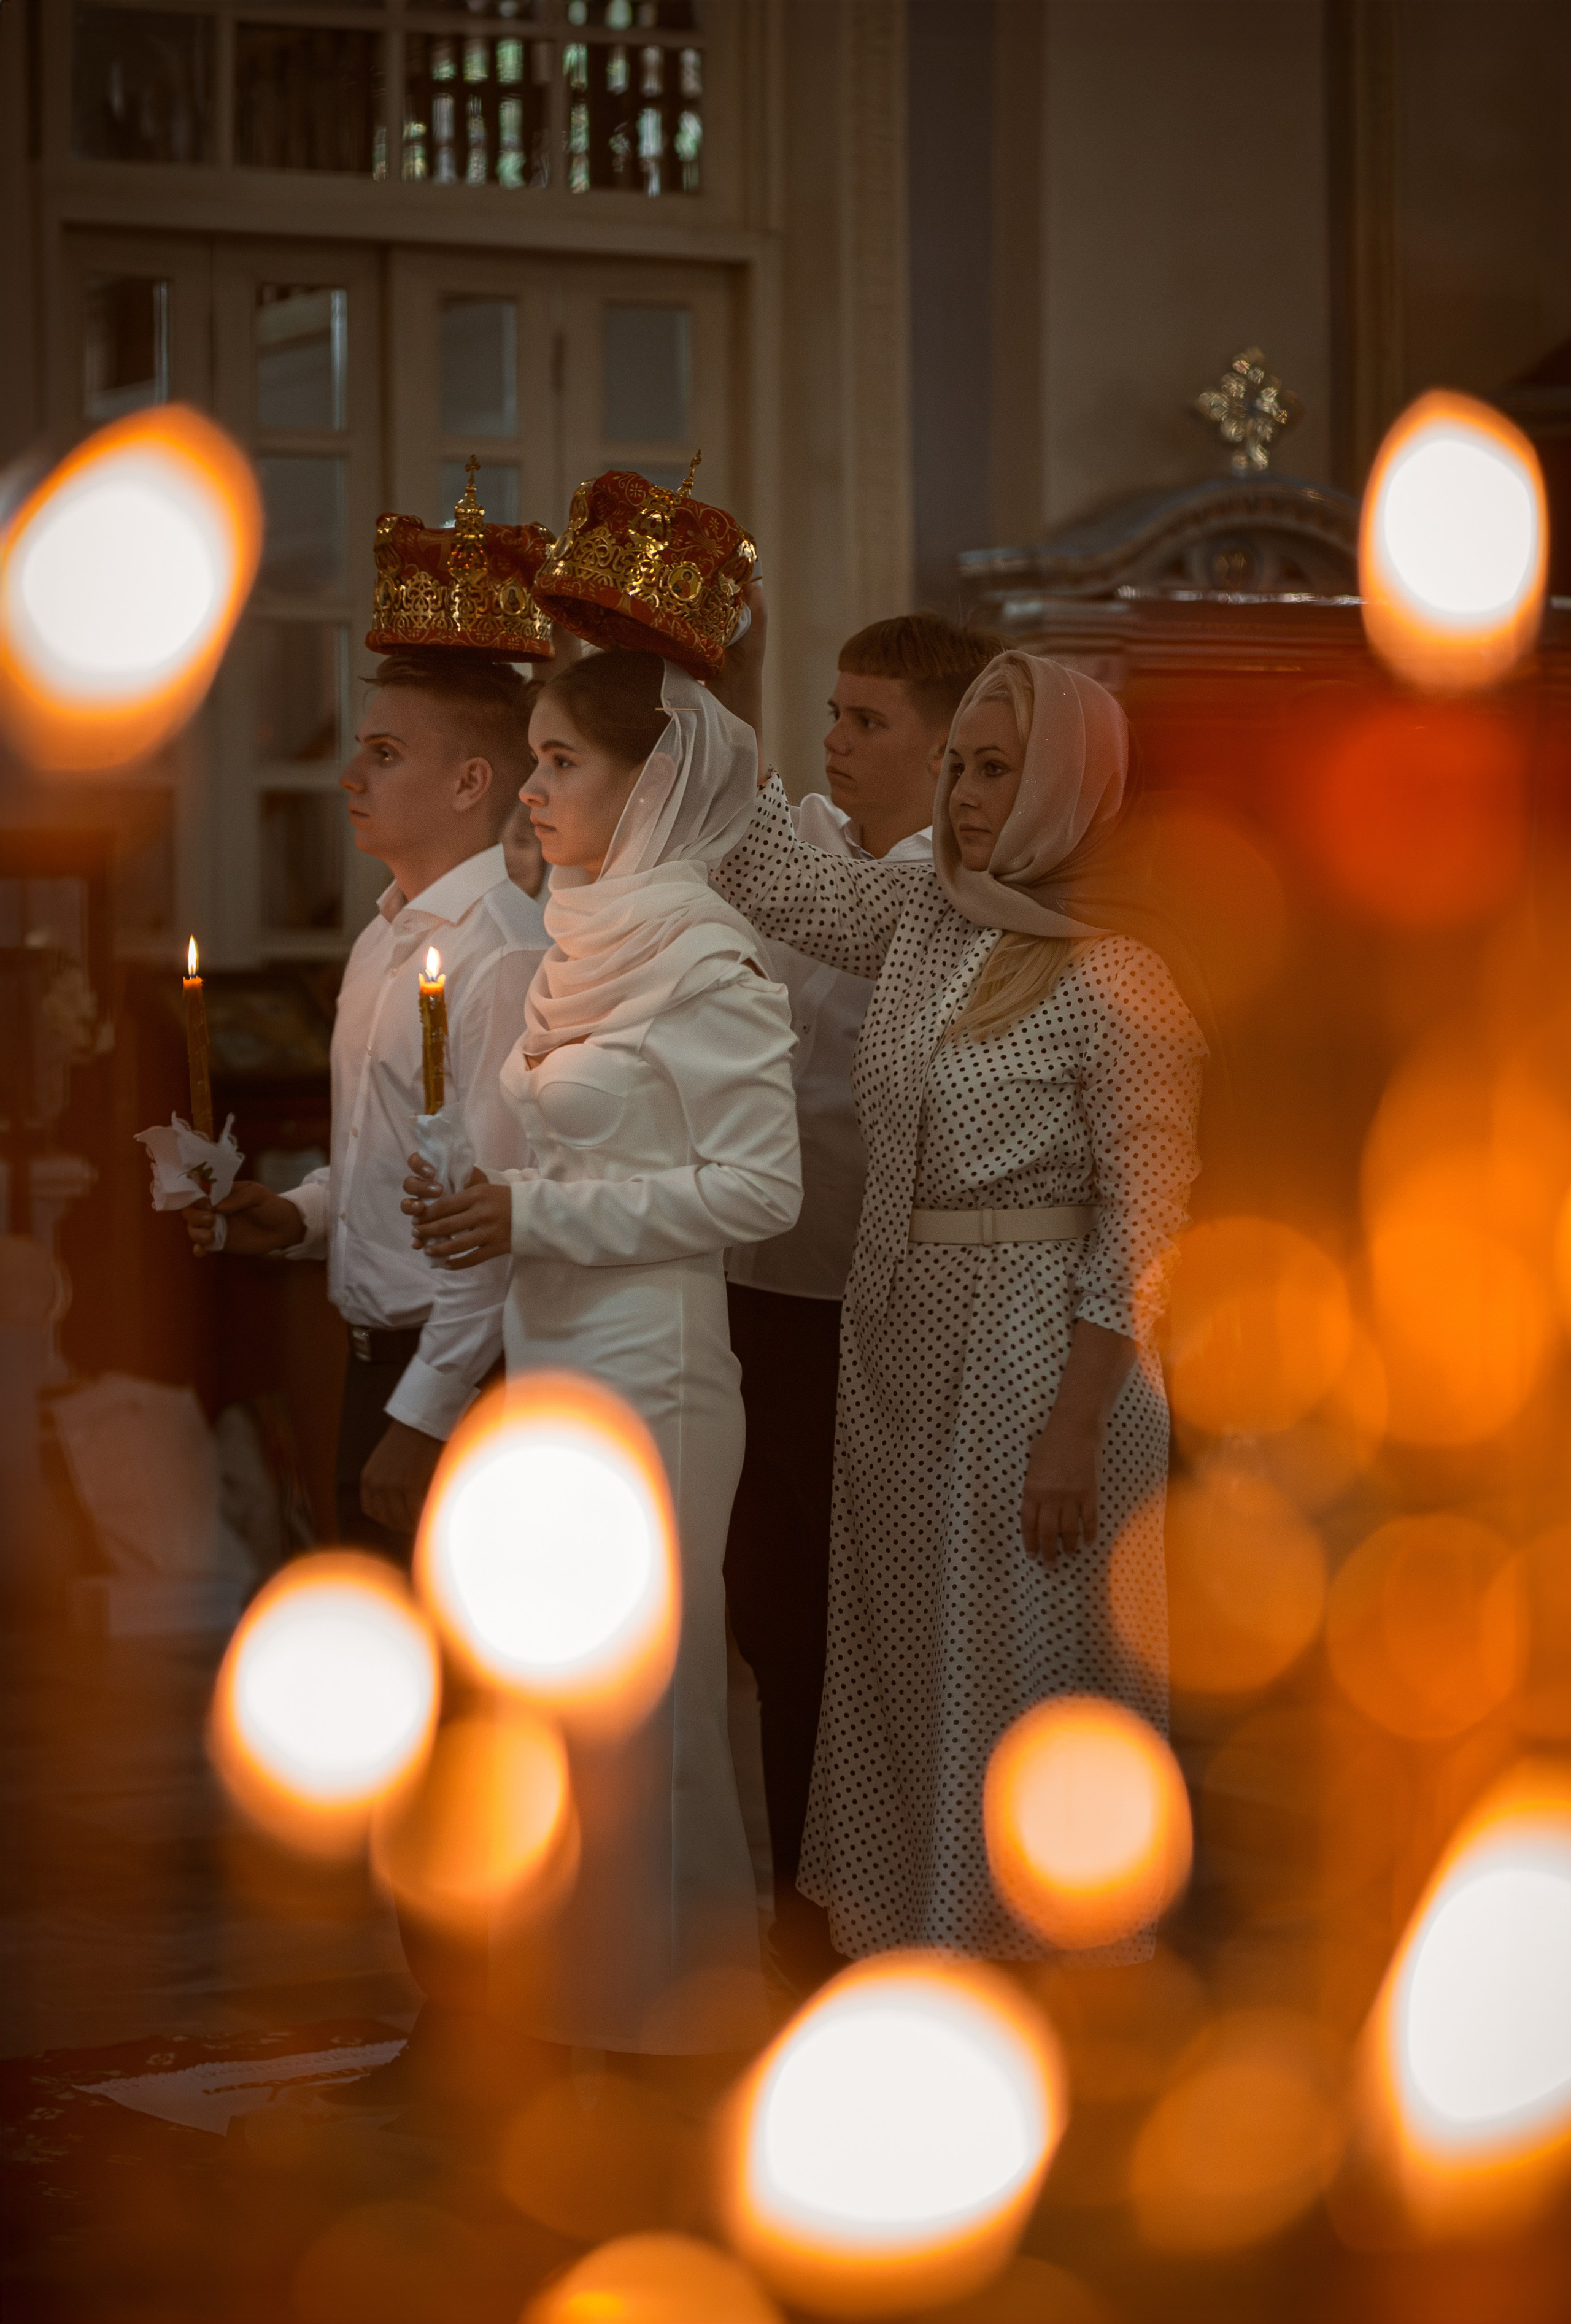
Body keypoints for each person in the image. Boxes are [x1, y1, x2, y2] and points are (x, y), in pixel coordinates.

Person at [712, 626, 1206, 1961]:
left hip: (1040, 1363)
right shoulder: (928, 916)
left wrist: (1073, 1423)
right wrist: (697, 683)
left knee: (1017, 1673)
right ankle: (919, 1951)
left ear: (1064, 786)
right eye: (962, 770)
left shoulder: (1120, 976)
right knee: (900, 1667)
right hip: (897, 1346)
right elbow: (775, 873)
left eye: (996, 769)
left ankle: (1050, 1965)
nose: (965, 798)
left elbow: (1143, 1223)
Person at [404, 650, 801, 2052]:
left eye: (562, 758)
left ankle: (675, 2015)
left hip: (656, 1364)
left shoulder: (706, 956)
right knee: (554, 1681)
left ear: (654, 780)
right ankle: (568, 1997)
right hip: (552, 1348)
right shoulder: (579, 934)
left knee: (652, 1687)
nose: (531, 784)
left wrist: (534, 1212)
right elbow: (538, 1152)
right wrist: (471, 1195)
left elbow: (761, 1192)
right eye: (535, 753)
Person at [722, 611, 1002, 1987]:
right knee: (771, 1608)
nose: (832, 742)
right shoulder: (835, 869)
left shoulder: (953, 900)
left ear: (956, 750)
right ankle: (796, 1887)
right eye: (826, 713)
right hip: (756, 1281)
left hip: (881, 1303)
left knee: (854, 1618)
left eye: (865, 721)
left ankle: (863, 1901)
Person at [183, 652, 546, 1561]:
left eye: (384, 752)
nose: (349, 775)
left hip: (458, 1367)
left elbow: (493, 1212)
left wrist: (427, 1413)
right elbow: (399, 1153)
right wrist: (302, 1216)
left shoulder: (500, 957)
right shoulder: (385, 936)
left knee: (456, 1671)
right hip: (373, 1354)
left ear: (472, 782)